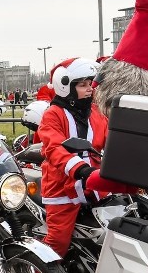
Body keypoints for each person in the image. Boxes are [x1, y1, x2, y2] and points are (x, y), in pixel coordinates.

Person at [37, 57, 107, 257]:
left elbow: (111, 138)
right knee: (57, 243)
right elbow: (54, 147)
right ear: (65, 87)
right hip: (63, 186)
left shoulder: (95, 111)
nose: (89, 89)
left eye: (90, 84)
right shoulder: (53, 114)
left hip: (95, 181)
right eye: (82, 85)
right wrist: (81, 169)